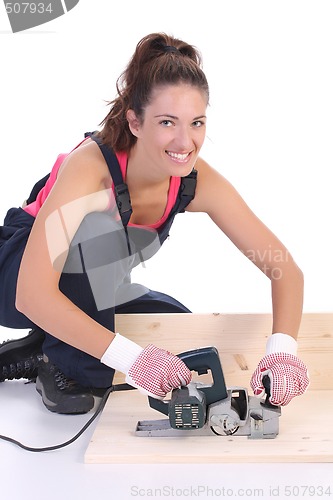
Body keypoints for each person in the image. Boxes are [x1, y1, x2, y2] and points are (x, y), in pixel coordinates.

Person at [0, 32, 309, 414]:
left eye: (196, 122)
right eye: (167, 122)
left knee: (180, 337)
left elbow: (284, 269)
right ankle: (61, 362)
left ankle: (47, 342)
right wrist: (133, 361)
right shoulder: (91, 171)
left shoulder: (195, 181)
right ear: (135, 121)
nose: (185, 141)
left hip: (91, 285)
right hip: (15, 273)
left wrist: (283, 350)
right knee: (96, 235)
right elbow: (31, 294)